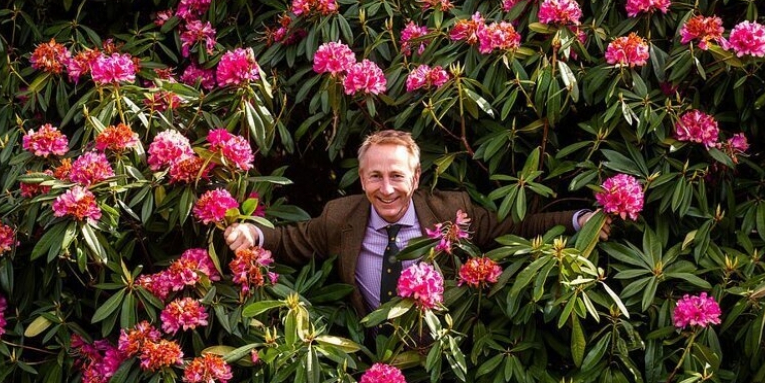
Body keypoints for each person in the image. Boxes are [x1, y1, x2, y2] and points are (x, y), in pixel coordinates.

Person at [225, 130, 609, 317]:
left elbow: (516, 228)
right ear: (361, 180)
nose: (387, 188)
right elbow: (292, 239)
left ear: (417, 177)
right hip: (370, 353)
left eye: (396, 175)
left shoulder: (450, 212)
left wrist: (579, 220)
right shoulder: (341, 217)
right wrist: (251, 230)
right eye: (375, 177)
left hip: (440, 355)